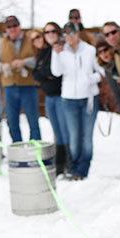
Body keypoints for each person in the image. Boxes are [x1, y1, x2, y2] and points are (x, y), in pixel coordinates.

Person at [50, 21, 103, 180]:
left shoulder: (90, 50)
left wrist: (89, 79)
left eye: (72, 33)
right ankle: (74, 168)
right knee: (74, 137)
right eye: (66, 34)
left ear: (78, 33)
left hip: (88, 98)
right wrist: (56, 54)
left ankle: (83, 170)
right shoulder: (61, 51)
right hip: (69, 99)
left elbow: (101, 71)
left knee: (87, 137)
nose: (69, 37)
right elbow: (56, 72)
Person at [0, 15, 41, 143]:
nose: (12, 29)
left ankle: (34, 148)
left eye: (15, 26)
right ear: (6, 29)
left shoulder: (30, 39)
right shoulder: (1, 43)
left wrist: (24, 62)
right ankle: (17, 147)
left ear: (19, 26)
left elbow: (39, 59)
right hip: (9, 86)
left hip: (28, 85)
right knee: (12, 120)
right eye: (9, 27)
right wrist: (2, 66)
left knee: (33, 120)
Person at [33, 22, 70, 174]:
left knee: (64, 130)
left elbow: (56, 73)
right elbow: (36, 73)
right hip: (49, 96)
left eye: (53, 31)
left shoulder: (63, 49)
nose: (50, 34)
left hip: (61, 95)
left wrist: (46, 74)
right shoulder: (44, 52)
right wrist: (46, 75)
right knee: (56, 130)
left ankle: (68, 162)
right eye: (47, 32)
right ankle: (59, 163)